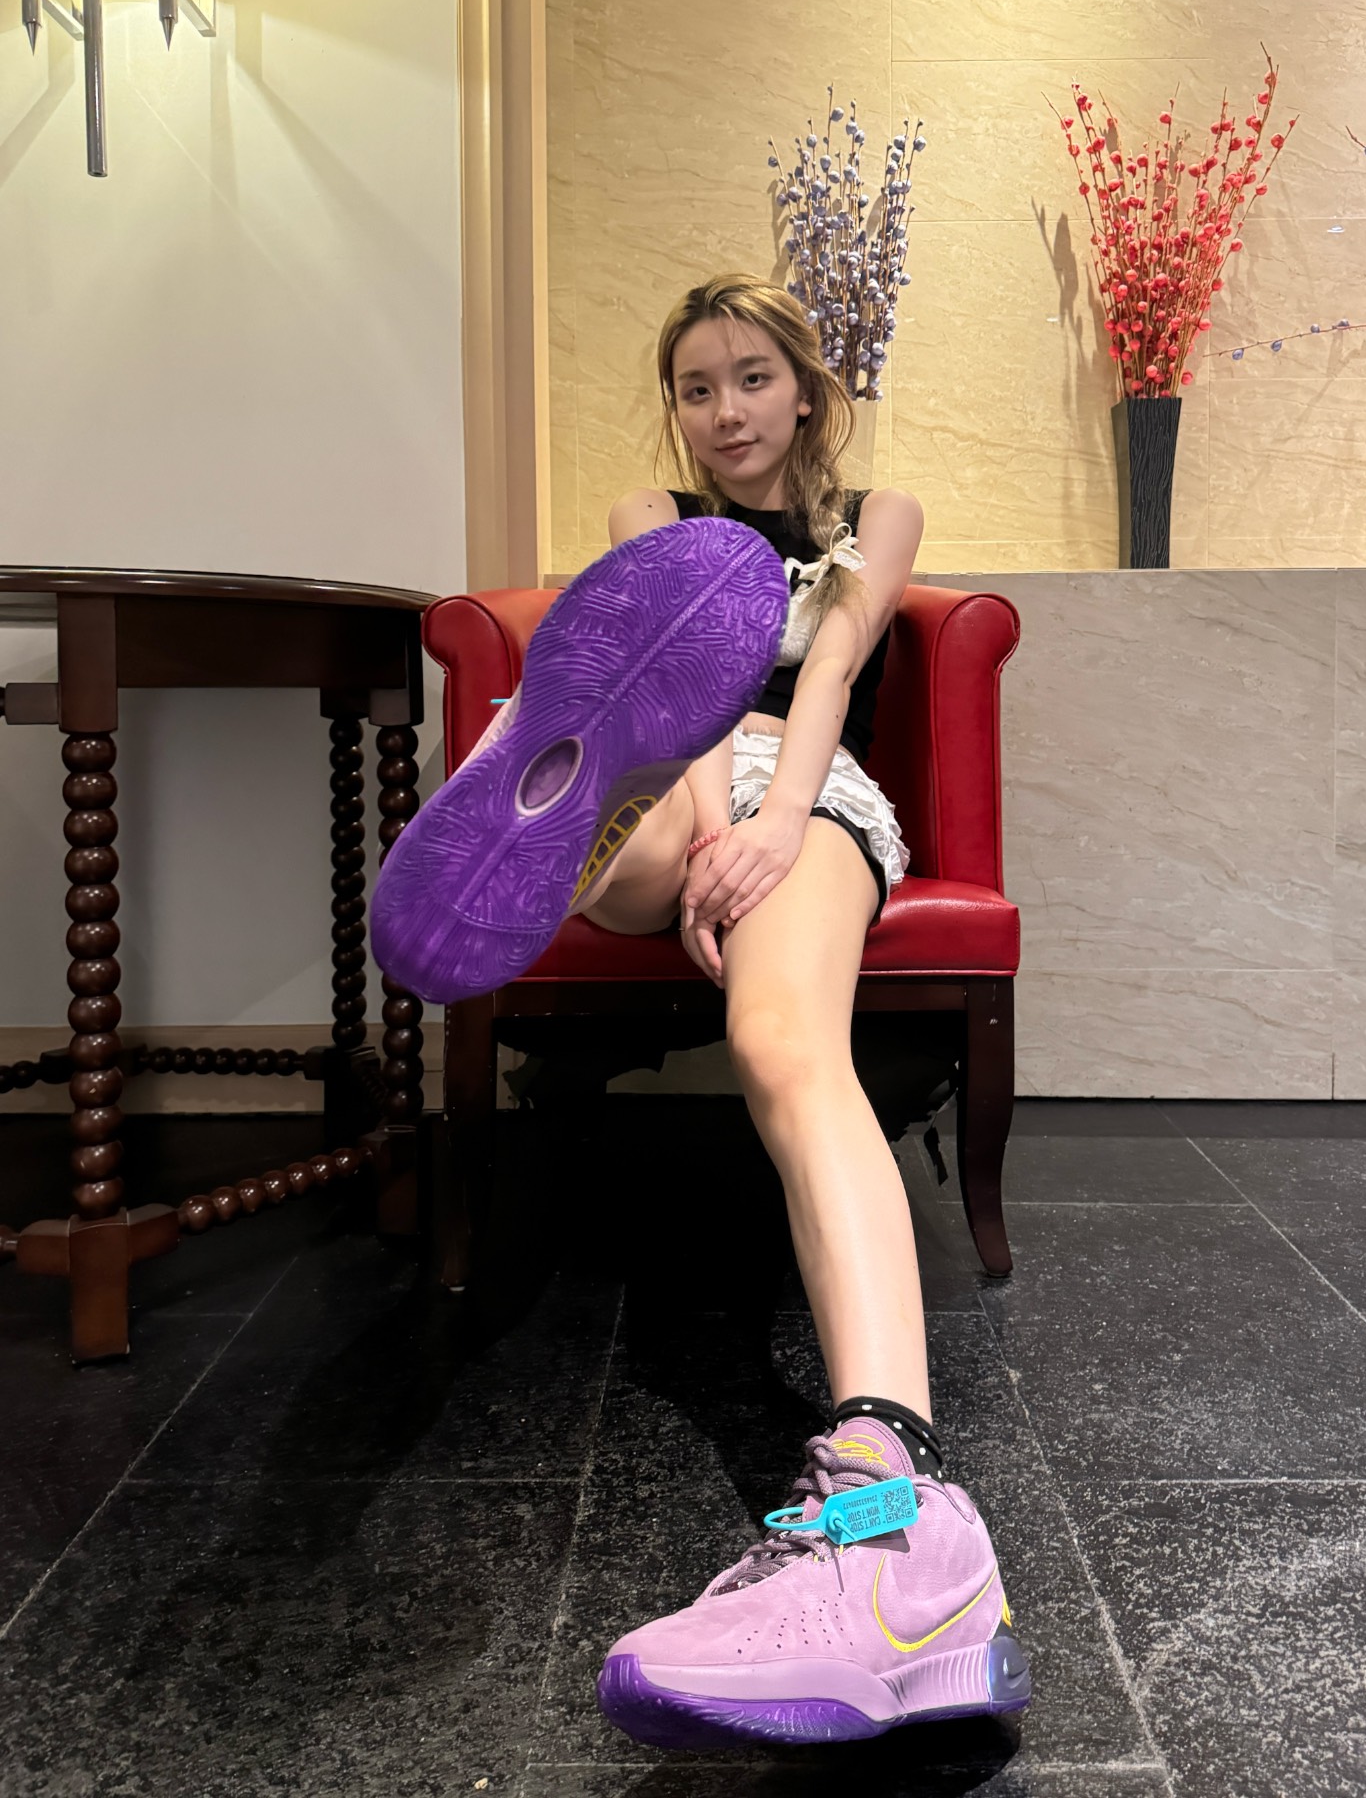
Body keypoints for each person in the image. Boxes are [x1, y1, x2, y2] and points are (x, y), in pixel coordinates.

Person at [373, 273, 1029, 1749]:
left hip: (812, 794)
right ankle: (557, 784)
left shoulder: (879, 516)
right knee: (645, 761)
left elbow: (833, 671)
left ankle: (892, 1490)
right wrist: (697, 840)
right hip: (675, 788)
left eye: (750, 379)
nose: (723, 411)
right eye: (693, 387)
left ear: (806, 390)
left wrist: (775, 826)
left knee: (780, 1043)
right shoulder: (649, 520)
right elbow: (688, 707)